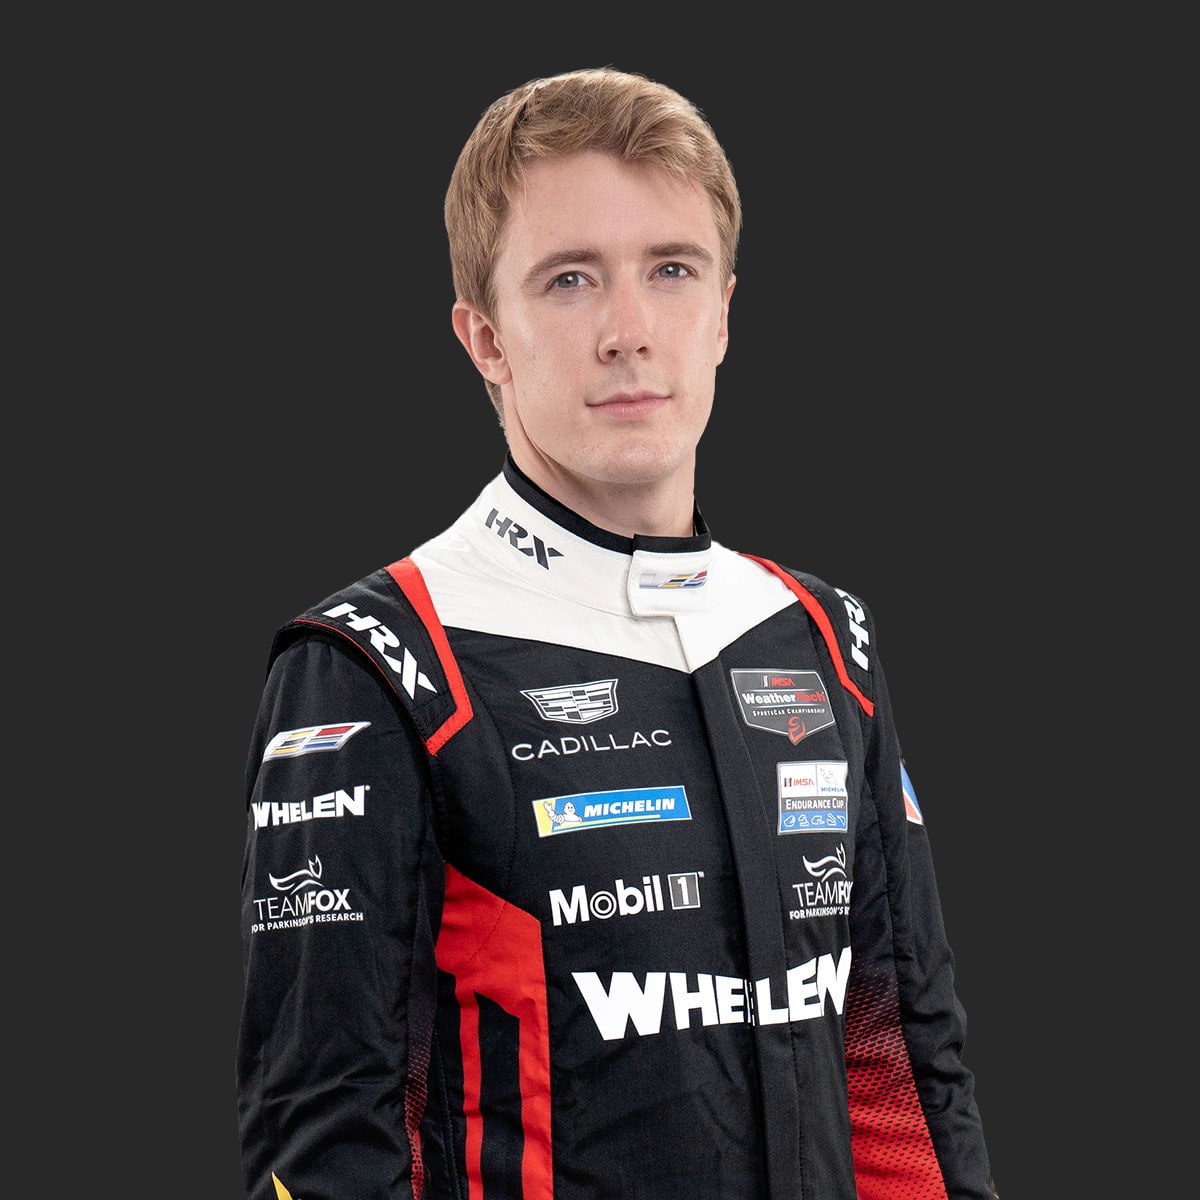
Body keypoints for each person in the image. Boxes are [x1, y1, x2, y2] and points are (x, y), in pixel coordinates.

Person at [237, 66, 999, 1200]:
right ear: (484, 338)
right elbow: (325, 1140)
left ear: (726, 313)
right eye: (570, 281)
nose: (630, 331)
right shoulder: (379, 662)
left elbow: (902, 1073)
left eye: (671, 271)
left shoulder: (823, 639)